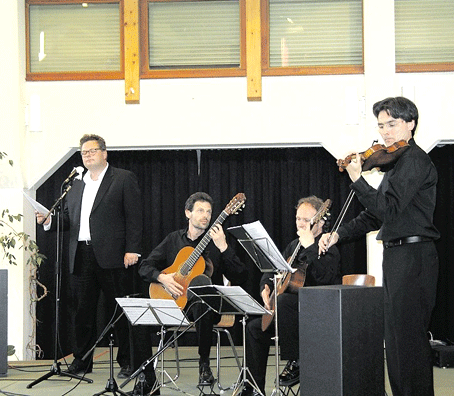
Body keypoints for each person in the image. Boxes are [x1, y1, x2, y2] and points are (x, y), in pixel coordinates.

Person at [319, 97, 440, 396]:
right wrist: (338, 234)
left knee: (408, 342)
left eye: (392, 124)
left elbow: (389, 211)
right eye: (381, 126)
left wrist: (359, 179)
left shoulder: (414, 160)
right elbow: (374, 214)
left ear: (410, 124)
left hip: (414, 256)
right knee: (397, 340)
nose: (385, 132)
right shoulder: (395, 165)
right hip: (398, 255)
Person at [36, 134, 142, 380]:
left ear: (105, 153)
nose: (88, 155)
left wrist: (133, 249)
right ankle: (82, 361)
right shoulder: (75, 184)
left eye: (92, 151)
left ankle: (127, 360)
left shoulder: (123, 178)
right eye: (84, 152)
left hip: (115, 255)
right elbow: (69, 220)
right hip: (81, 254)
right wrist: (50, 220)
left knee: (120, 310)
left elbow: (134, 217)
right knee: (82, 312)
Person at [138, 192, 247, 389]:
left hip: (207, 310)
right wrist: (162, 278)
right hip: (173, 304)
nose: (205, 215)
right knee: (137, 315)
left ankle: (204, 364)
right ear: (188, 213)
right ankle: (147, 377)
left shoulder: (217, 240)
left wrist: (223, 247)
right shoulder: (173, 239)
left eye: (209, 212)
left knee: (200, 283)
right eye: (200, 210)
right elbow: (145, 266)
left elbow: (240, 275)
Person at [240, 196, 341, 396]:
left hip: (318, 312)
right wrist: (265, 286)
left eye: (306, 219)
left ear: (320, 221)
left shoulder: (327, 244)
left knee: (285, 301)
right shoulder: (293, 245)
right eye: (297, 218)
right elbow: (272, 270)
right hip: (290, 315)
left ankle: (296, 361)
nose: (300, 223)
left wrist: (311, 246)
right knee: (253, 326)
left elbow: (325, 277)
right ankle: (252, 388)